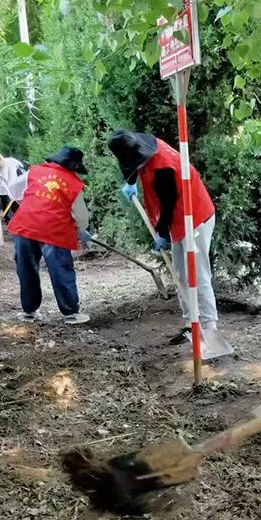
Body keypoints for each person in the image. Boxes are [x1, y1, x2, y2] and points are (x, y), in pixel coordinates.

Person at [107, 130, 233, 359]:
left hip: (194, 217)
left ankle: (208, 326)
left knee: (197, 273)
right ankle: (190, 322)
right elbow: (135, 165)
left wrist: (162, 233)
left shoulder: (164, 166)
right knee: (180, 273)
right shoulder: (142, 144)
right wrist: (131, 182)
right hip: (178, 220)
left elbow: (168, 204)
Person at [6, 146, 92, 325]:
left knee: (26, 268)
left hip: (26, 225)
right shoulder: (74, 183)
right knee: (60, 268)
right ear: (74, 167)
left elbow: (13, 188)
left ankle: (29, 311)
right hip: (54, 230)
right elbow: (81, 216)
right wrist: (81, 229)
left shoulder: (35, 171)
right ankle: (71, 313)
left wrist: (31, 199)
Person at [0, 153, 25, 222]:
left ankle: (20, 215)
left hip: (18, 178)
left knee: (17, 200)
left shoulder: (11, 164)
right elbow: (1, 186)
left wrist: (12, 195)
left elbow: (12, 181)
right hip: (6, 186)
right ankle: (7, 218)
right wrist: (6, 195)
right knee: (5, 199)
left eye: (0, 167)